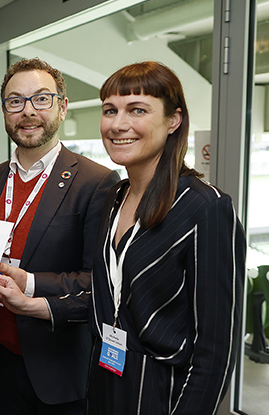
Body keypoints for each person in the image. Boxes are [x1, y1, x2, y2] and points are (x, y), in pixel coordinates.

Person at [88, 61, 245, 413]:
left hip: (165, 395)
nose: (117, 124)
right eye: (110, 110)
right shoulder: (115, 197)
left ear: (174, 120)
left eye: (137, 110)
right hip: (106, 379)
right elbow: (111, 294)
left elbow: (215, 351)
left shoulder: (206, 208)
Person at [0, 57, 119, 414]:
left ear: (62, 107)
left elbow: (98, 283)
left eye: (41, 99)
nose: (28, 111)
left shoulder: (97, 183)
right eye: (15, 101)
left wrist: (30, 283)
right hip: (0, 356)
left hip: (59, 365)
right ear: (5, 111)